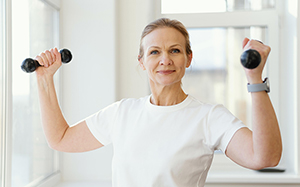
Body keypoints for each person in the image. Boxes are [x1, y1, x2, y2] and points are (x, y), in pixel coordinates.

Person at [35, 18, 282, 187]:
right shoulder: (122, 112)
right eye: (154, 52)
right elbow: (60, 138)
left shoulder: (209, 117)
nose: (165, 59)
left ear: (188, 58)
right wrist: (45, 80)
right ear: (142, 61)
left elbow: (264, 157)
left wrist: (254, 77)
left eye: (174, 50)